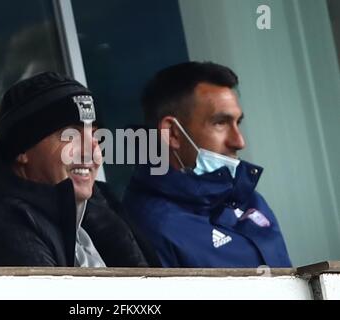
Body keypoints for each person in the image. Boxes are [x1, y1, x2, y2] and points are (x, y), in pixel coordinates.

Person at [0, 71, 159, 267]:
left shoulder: (89, 210)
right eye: (71, 134)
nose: (93, 151)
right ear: (22, 148)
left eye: (96, 135)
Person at [123, 61, 292, 267]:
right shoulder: (148, 226)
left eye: (237, 123)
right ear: (173, 134)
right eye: (220, 123)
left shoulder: (249, 199)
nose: (239, 141)